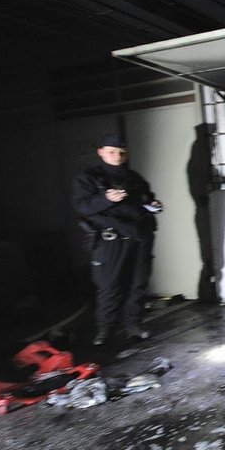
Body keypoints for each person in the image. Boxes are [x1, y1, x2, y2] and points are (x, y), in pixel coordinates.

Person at [72, 134, 163, 345]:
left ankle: (134, 326)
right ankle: (106, 331)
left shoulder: (134, 178)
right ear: (101, 152)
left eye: (121, 152)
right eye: (112, 151)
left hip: (139, 238)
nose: (117, 156)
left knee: (138, 284)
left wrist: (153, 204)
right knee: (109, 287)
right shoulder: (88, 178)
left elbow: (146, 199)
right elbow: (82, 206)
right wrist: (105, 199)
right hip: (110, 240)